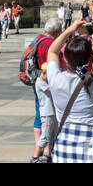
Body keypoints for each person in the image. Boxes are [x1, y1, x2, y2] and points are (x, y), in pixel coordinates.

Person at [45, 21, 93, 163]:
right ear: (89, 59)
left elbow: (52, 51)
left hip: (64, 145)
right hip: (92, 145)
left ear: (65, 58)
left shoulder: (55, 79)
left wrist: (69, 30)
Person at [29, 17, 60, 163]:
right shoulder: (51, 45)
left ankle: (44, 149)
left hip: (37, 81)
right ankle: (41, 151)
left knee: (38, 113)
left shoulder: (39, 39)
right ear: (56, 31)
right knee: (49, 121)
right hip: (46, 82)